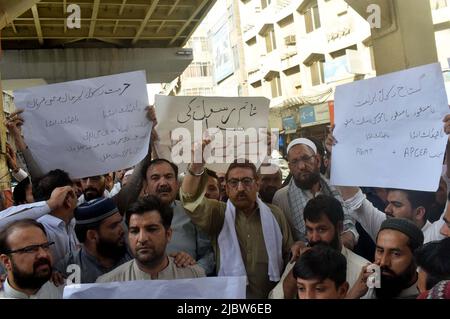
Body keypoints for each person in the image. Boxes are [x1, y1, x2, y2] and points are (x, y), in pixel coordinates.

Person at [181, 155, 293, 299]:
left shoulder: (275, 214)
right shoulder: (218, 213)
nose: (240, 188)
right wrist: (196, 166)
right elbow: (190, 200)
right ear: (226, 188)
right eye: (233, 183)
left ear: (257, 184)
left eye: (246, 181)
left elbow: (289, 254)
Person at [122, 158, 215, 275]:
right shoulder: (132, 217)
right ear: (145, 186)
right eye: (155, 178)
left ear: (177, 184)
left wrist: (194, 269)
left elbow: (208, 255)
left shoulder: (193, 211)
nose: (163, 183)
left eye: (168, 177)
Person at [269, 195, 368, 299]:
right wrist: (299, 266)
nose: (314, 238)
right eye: (310, 230)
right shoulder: (298, 260)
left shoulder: (361, 271)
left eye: (322, 229)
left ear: (339, 227)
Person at [272, 138, 358, 249]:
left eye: (306, 158)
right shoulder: (281, 198)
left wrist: (349, 235)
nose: (301, 166)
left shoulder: (338, 188)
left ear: (317, 160)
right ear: (290, 168)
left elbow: (351, 223)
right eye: (295, 162)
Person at [96, 196, 205, 282]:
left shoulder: (195, 276)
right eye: (134, 231)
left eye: (151, 229)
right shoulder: (108, 284)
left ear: (168, 234)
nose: (142, 239)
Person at [56, 197, 132, 283]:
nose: (121, 229)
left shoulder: (132, 253)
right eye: (114, 226)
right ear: (92, 235)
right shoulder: (69, 268)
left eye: (120, 222)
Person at [347, 218, 424, 299]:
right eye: (380, 251)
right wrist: (354, 294)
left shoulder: (427, 294)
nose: (383, 262)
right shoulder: (370, 284)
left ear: (416, 257)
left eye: (396, 254)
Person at [0, 219, 63, 298]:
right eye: (30, 249)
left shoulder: (65, 290)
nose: (43, 254)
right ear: (6, 261)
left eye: (45, 246)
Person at [34, 169, 79, 264]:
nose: (78, 201)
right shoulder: (40, 231)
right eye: (76, 195)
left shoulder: (71, 223)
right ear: (68, 199)